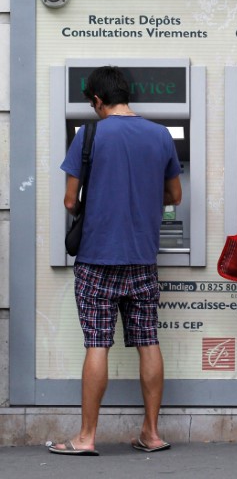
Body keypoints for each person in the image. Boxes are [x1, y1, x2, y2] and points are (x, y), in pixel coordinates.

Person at [48, 66, 182, 456]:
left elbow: (71, 201)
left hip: (96, 259)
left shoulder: (88, 135)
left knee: (97, 344)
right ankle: (152, 434)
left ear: (97, 100)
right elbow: (175, 195)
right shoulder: (160, 136)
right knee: (148, 341)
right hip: (142, 259)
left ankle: (86, 437)